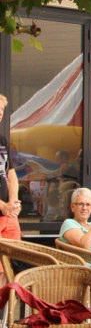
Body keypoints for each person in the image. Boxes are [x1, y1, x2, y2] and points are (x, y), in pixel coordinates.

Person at [0, 95, 21, 240]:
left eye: (1, 110)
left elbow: (11, 174)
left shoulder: (2, 140)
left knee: (13, 258)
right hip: (3, 209)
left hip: (7, 215)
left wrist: (13, 203)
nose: (0, 113)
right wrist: (2, 206)